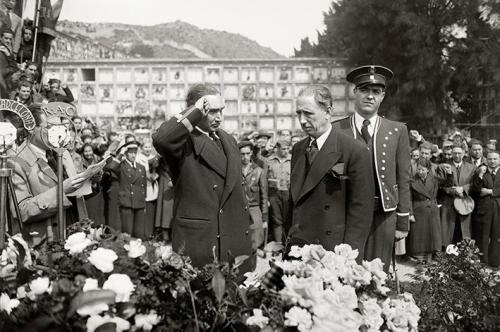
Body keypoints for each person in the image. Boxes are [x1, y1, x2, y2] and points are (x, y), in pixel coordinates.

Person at [152, 83, 254, 270]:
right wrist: (194, 111)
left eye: (221, 111)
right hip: (202, 239)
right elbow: (161, 139)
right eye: (212, 111)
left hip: (233, 234)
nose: (219, 117)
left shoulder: (227, 139)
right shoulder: (183, 141)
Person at [332, 65, 411, 271]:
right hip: (347, 214)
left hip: (384, 214)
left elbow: (403, 178)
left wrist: (402, 220)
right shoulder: (337, 129)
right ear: (355, 92)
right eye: (364, 90)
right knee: (348, 271)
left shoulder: (397, 130)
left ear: (382, 96)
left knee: (379, 274)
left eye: (376, 92)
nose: (370, 96)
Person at [288, 85, 374, 259]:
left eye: (308, 113)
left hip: (332, 253)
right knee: (273, 285)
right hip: (298, 249)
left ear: (328, 112)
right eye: (299, 113)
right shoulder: (298, 149)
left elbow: (361, 212)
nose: (302, 120)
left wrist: (348, 260)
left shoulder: (354, 150)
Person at [8, 109, 85, 244]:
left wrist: (91, 181)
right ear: (32, 128)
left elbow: (73, 191)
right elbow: (21, 211)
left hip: (71, 234)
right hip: (44, 244)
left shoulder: (59, 154)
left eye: (59, 128)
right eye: (49, 127)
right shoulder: (17, 162)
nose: (57, 133)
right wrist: (61, 191)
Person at [408, 158, 453, 263]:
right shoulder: (411, 181)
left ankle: (430, 258)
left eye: (423, 170)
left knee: (433, 235)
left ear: (428, 169)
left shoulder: (434, 180)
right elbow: (408, 198)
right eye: (418, 169)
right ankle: (419, 259)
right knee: (420, 235)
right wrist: (410, 213)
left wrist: (450, 174)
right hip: (418, 210)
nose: (420, 172)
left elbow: (448, 184)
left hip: (432, 210)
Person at [105, 141, 146, 238]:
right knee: (128, 232)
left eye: (135, 152)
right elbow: (111, 167)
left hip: (139, 202)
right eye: (130, 152)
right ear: (126, 153)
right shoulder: (121, 166)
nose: (133, 155)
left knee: (139, 232)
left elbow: (143, 186)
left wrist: (144, 202)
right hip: (127, 201)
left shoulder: (141, 167)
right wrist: (120, 154)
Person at [440, 144, 475, 246]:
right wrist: (452, 191)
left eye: (459, 153)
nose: (457, 155)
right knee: (448, 229)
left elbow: (474, 184)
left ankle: (464, 253)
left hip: (464, 201)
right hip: (449, 202)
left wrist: (463, 189)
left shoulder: (471, 168)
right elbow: (441, 185)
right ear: (451, 154)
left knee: (464, 229)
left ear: (464, 154)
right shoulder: (445, 166)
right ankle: (446, 253)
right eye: (454, 153)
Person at [471, 151, 500, 267]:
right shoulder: (480, 171)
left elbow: (487, 191)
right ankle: (483, 261)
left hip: (498, 209)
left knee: (496, 235)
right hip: (484, 208)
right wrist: (480, 175)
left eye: (495, 159)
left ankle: (495, 261)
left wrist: (491, 192)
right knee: (483, 234)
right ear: (486, 160)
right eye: (490, 159)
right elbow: (475, 189)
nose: (492, 161)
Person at [239, 140, 268, 249]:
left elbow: (264, 197)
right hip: (239, 209)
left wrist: (264, 218)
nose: (245, 157)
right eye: (242, 154)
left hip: (254, 208)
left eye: (247, 154)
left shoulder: (259, 171)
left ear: (251, 153)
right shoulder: (234, 170)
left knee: (256, 240)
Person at [266, 139, 291, 243]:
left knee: (288, 220)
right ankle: (278, 246)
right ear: (277, 148)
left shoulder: (292, 159)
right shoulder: (269, 160)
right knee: (276, 220)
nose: (286, 151)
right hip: (274, 194)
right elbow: (264, 178)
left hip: (288, 193)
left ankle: (288, 247)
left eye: (288, 149)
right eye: (283, 149)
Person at [136, 139, 158, 238]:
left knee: (152, 209)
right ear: (141, 148)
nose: (148, 149)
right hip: (144, 185)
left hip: (153, 185)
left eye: (149, 147)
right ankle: (144, 232)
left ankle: (151, 232)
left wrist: (156, 175)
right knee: (145, 210)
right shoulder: (139, 158)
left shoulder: (154, 157)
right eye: (146, 147)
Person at [81, 143, 105, 226]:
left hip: (97, 190)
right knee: (89, 212)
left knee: (97, 212)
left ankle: (98, 229)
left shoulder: (97, 159)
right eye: (86, 151)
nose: (88, 153)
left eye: (90, 151)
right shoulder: (80, 161)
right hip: (86, 191)